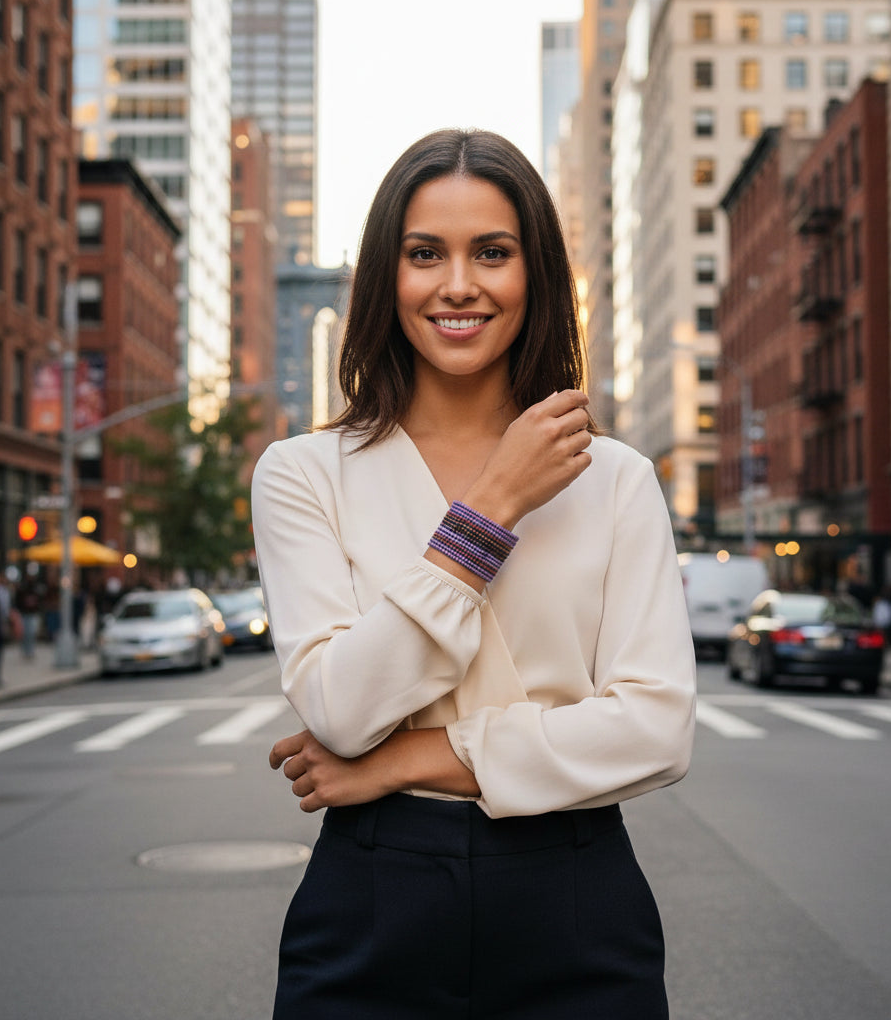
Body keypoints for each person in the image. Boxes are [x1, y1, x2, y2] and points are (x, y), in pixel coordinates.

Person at [252, 128, 696, 1019]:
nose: (459, 284)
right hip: (372, 901)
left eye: (492, 252)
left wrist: (403, 760)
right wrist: (488, 512)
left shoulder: (616, 478)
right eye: (425, 254)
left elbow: (654, 730)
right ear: (388, 275)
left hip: (577, 900)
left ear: (535, 274)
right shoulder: (303, 473)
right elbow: (338, 707)